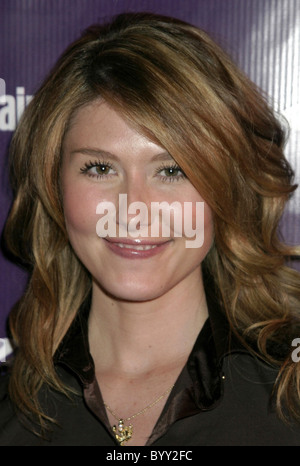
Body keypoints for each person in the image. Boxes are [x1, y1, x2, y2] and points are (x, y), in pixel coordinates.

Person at [0, 12, 300, 447]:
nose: (134, 208)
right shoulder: (11, 414)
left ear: (226, 187)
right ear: (53, 185)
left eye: (173, 170)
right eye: (100, 168)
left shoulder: (290, 391)